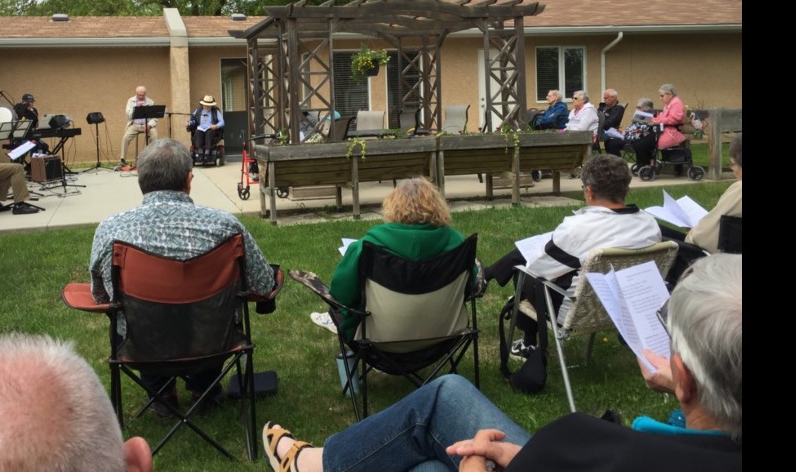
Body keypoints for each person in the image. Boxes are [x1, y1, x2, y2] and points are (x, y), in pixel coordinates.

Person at [262, 253, 741, 472]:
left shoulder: (598, 447)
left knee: (443, 406)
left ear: (685, 377)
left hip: (381, 345)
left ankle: (311, 465)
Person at [90, 138, 275, 416]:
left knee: (131, 315)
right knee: (207, 312)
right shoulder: (225, 226)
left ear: (141, 180)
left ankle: (161, 395)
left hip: (142, 346)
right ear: (189, 179)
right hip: (213, 342)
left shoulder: (110, 229)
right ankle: (205, 391)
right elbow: (263, 284)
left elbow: (101, 295)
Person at [483, 154, 660, 354]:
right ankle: (489, 276)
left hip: (578, 311)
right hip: (626, 307)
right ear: (626, 189)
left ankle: (529, 343)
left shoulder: (577, 229)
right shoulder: (649, 224)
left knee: (524, 273)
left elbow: (538, 269)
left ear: (590, 191)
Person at [0, 333, 153, 472]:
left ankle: (162, 396)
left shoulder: (112, 238)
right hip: (190, 347)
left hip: (139, 337)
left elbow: (100, 290)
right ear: (135, 465)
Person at [328, 177, 479, 341]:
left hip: (377, 341)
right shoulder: (457, 243)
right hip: (444, 337)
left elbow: (340, 293)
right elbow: (470, 287)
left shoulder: (369, 245)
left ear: (393, 206)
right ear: (438, 206)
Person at [660, 134, 742, 280]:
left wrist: (692, 233)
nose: (733, 170)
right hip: (731, 261)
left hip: (718, 267)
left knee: (657, 235)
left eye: (732, 164)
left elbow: (705, 239)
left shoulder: (739, 190)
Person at [629, 83, 687, 168]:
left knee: (641, 144)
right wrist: (652, 120)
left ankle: (646, 165)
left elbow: (674, 119)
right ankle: (645, 164)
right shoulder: (670, 104)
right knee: (639, 142)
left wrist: (655, 122)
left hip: (670, 133)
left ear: (670, 95)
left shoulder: (676, 103)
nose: (660, 98)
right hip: (662, 131)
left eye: (662, 96)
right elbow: (663, 117)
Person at [120, 85, 158, 166]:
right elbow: (128, 115)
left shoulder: (150, 102)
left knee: (154, 135)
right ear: (136, 93)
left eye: (143, 95)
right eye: (139, 95)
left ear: (145, 93)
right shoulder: (131, 101)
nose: (141, 96)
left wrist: (150, 125)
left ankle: (153, 158)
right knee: (126, 137)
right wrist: (138, 107)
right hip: (135, 125)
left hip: (147, 125)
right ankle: (122, 160)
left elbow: (155, 117)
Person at [188, 94, 226, 162]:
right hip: (201, 128)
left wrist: (216, 126)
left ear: (211, 106)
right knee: (197, 132)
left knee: (209, 133)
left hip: (210, 129)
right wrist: (189, 123)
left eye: (209, 106)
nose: (207, 107)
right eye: (205, 105)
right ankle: (200, 153)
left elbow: (222, 122)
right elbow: (193, 119)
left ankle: (207, 154)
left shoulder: (215, 111)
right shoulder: (198, 110)